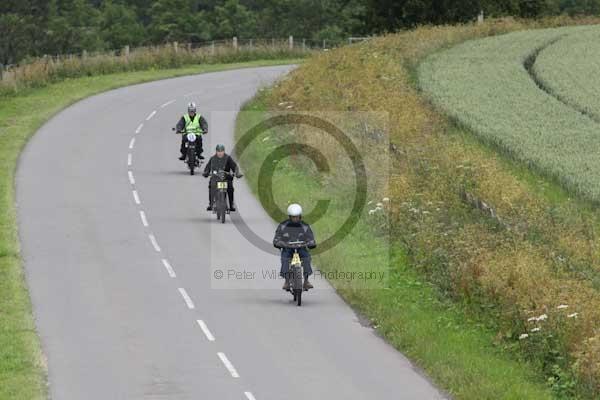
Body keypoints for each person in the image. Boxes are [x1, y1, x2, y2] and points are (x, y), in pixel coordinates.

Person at [273, 204, 317, 291]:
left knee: (307, 258)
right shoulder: (283, 226)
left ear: (300, 216)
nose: (295, 219)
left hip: (301, 248)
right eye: (293, 217)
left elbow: (311, 238)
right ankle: (286, 282)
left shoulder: (305, 226)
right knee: (285, 259)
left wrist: (311, 242)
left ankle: (306, 281)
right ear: (290, 217)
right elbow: (276, 238)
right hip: (288, 248)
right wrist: (279, 243)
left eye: (297, 217)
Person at [202, 144, 242, 212]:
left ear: (224, 151)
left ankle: (231, 204)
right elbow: (208, 167)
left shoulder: (228, 158)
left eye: (221, 151)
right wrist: (206, 172)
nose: (220, 153)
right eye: (218, 151)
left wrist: (237, 173)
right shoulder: (213, 158)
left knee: (230, 188)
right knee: (211, 187)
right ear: (216, 151)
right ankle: (211, 203)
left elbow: (234, 166)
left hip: (226, 178)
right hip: (215, 177)